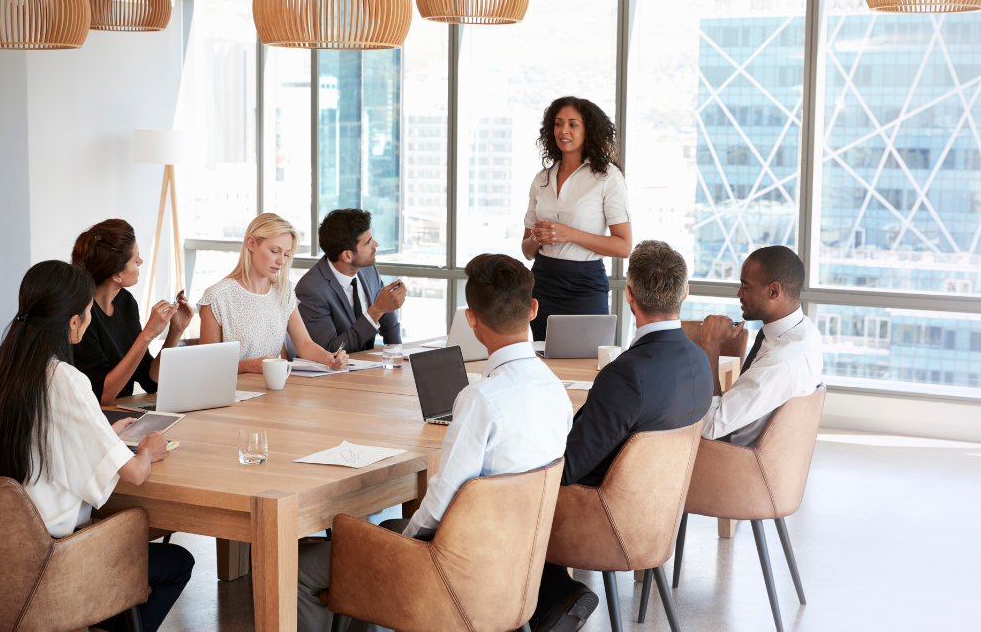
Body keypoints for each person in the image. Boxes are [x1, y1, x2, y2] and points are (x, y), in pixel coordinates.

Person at [294, 254, 574, 632]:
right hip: (516, 565)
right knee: (391, 526)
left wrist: (402, 550)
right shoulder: (554, 389)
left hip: (456, 574)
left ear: (471, 320)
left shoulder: (481, 400)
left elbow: (443, 500)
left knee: (299, 567)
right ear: (533, 309)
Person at [0, 260, 194, 632]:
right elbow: (134, 474)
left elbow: (43, 438)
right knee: (177, 562)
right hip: (52, 560)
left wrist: (103, 436)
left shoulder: (0, 372)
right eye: (87, 312)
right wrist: (148, 450)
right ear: (73, 322)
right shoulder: (66, 379)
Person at [530, 240, 713, 632]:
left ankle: (549, 601)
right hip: (657, 516)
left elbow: (570, 467)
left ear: (628, 294)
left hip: (603, 518)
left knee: (506, 492)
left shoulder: (626, 374)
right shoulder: (700, 360)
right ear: (685, 293)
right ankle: (554, 595)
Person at [521, 96, 633, 341]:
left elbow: (623, 246)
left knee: (586, 364)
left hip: (585, 286)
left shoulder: (607, 177)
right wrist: (538, 237)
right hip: (542, 284)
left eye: (573, 124)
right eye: (558, 123)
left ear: (588, 130)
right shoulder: (542, 179)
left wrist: (568, 233)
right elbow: (527, 250)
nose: (564, 130)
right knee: (545, 360)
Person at [700, 245, 823, 445]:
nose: (739, 293)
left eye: (745, 286)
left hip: (728, 455)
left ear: (774, 291)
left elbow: (710, 427)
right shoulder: (805, 330)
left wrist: (711, 345)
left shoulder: (778, 362)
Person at [198, 213, 348, 373]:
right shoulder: (217, 297)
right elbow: (207, 366)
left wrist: (330, 359)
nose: (281, 261)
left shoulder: (284, 291)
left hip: (273, 389)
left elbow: (304, 344)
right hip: (233, 393)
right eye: (275, 251)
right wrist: (249, 366)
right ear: (251, 244)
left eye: (286, 254)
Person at [71, 219, 193, 404]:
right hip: (99, 418)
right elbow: (102, 395)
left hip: (123, 413)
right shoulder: (82, 317)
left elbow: (150, 381)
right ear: (116, 275)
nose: (141, 262)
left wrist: (175, 331)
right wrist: (147, 335)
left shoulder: (125, 302)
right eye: (136, 260)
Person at [296, 209, 405, 352]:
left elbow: (387, 317)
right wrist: (375, 311)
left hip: (370, 368)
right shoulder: (310, 290)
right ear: (347, 256)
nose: (376, 244)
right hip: (335, 372)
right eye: (368, 242)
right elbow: (330, 350)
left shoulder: (368, 269)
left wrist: (399, 357)